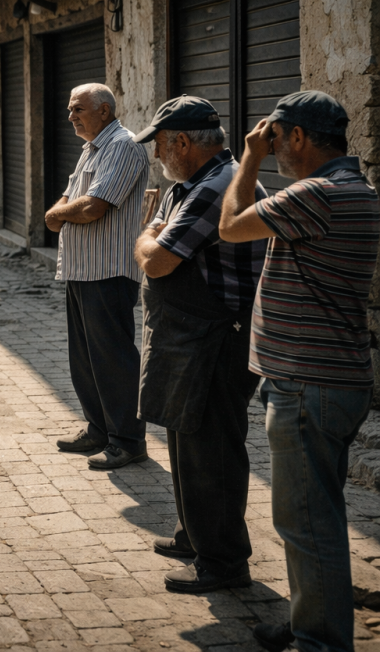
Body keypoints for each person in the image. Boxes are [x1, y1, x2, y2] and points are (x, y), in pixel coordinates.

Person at [220, 91, 379, 652]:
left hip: (308, 385)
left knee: (306, 522)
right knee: (318, 512)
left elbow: (230, 225)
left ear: (298, 137)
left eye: (275, 137)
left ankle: (320, 640)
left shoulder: (316, 194)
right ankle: (306, 617)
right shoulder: (358, 190)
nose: (271, 147)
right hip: (334, 379)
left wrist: (248, 158)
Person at [131, 96, 267, 594]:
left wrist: (148, 233)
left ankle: (223, 561)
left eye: (160, 145)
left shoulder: (218, 186)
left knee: (212, 449)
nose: (156, 155)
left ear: (183, 143)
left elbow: (157, 259)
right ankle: (195, 535)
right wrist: (154, 232)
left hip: (217, 337)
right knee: (185, 436)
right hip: (191, 332)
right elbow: (159, 240)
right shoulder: (190, 185)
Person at [46, 83, 149, 470]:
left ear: (104, 111)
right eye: (70, 109)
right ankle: (99, 429)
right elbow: (69, 199)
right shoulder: (92, 148)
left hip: (108, 271)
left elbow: (92, 207)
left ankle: (127, 440)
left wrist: (56, 215)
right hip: (82, 269)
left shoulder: (122, 146)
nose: (70, 116)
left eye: (78, 109)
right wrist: (62, 212)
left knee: (113, 359)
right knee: (86, 358)